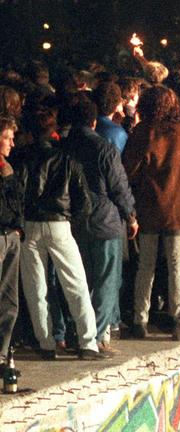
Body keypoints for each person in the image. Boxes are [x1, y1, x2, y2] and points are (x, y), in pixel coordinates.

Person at [17, 108, 101, 359]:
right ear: (53, 131)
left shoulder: (22, 158)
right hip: (59, 224)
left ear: (30, 133)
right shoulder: (67, 160)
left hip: (30, 225)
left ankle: (46, 343)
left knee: (36, 288)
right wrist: (71, 220)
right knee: (76, 284)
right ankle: (88, 342)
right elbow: (85, 202)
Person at [123, 85, 180, 340]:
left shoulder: (143, 132)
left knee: (146, 265)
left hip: (149, 207)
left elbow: (129, 168)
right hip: (179, 208)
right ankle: (179, 321)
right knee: (176, 266)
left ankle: (139, 319)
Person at [62, 94, 138, 354]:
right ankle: (96, 335)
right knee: (107, 279)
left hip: (73, 220)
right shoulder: (104, 148)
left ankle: (77, 330)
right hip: (105, 220)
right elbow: (119, 186)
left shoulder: (65, 147)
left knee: (80, 280)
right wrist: (130, 215)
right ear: (94, 121)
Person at [0, 116, 23, 365]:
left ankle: (2, 353)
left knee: (9, 300)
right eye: (7, 138)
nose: (12, 143)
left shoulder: (8, 168)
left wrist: (19, 228)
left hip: (11, 236)